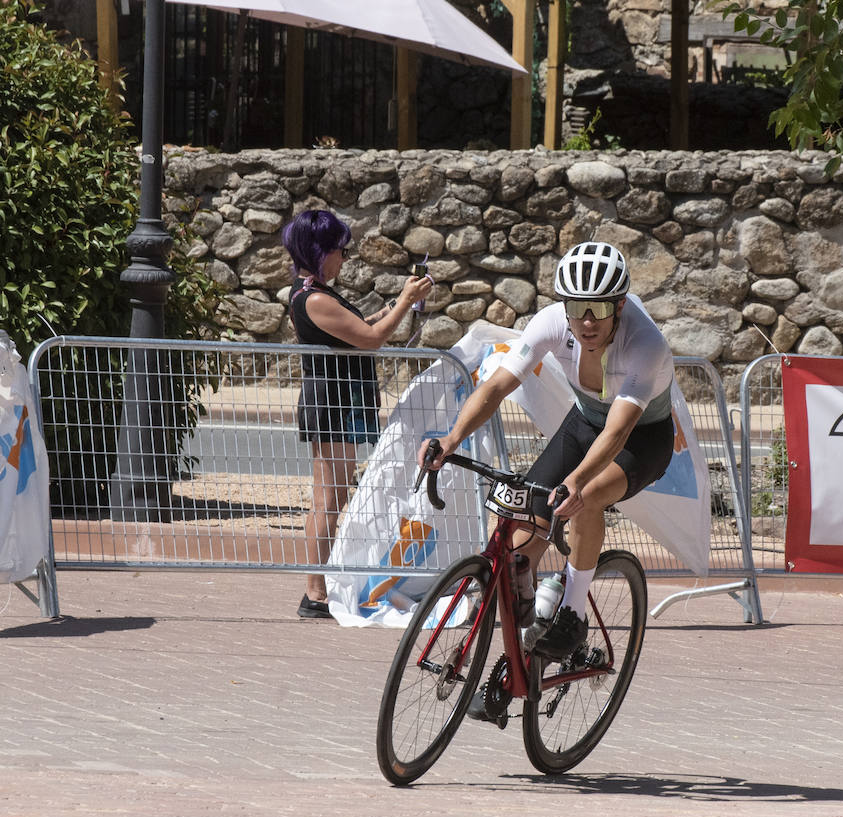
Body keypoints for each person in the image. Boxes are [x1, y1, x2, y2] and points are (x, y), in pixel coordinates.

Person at [418, 241, 675, 658]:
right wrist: (451, 438)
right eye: (577, 308)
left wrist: (574, 481)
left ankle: (573, 614)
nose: (587, 322)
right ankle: (520, 642)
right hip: (584, 424)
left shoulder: (645, 345)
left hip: (641, 439)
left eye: (600, 309)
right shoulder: (551, 323)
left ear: (621, 306)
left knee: (585, 498)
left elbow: (619, 429)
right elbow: (498, 386)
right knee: (520, 531)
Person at [284, 209, 434, 619]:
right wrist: (404, 302)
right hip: (332, 403)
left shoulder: (316, 291)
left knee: (331, 495)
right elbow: (370, 340)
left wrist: (397, 306)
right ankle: (314, 593)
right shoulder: (313, 297)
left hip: (338, 401)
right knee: (329, 498)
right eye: (340, 251)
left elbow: (359, 327)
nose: (343, 259)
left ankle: (317, 588)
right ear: (319, 251)